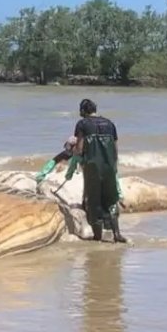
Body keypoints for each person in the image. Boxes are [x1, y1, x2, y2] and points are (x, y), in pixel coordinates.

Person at [72, 98, 126, 243]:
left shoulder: (82, 124)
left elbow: (80, 148)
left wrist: (74, 155)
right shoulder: (110, 124)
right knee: (111, 199)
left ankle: (97, 236)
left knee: (93, 201)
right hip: (109, 167)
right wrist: (114, 166)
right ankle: (117, 234)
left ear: (83, 111)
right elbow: (115, 149)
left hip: (92, 167)